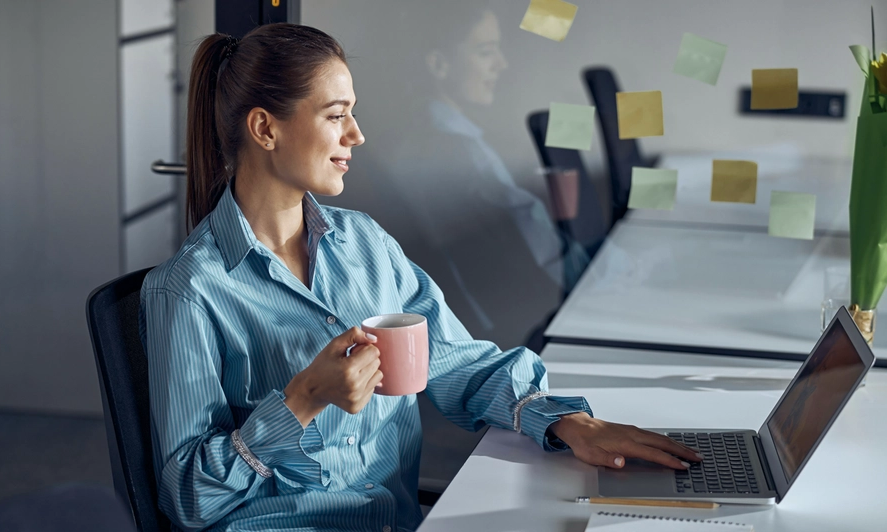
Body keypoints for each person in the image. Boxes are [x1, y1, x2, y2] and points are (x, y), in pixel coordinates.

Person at [139, 23, 700, 532]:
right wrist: (303, 399)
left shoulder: (365, 244)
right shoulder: (189, 290)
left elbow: (460, 362)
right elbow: (188, 497)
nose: (356, 135)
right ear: (264, 128)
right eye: (336, 116)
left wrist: (569, 424)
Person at [376, 3, 592, 350]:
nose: (501, 64)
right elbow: (535, 239)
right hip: (500, 326)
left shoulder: (423, 139)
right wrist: (614, 274)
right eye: (485, 51)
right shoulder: (454, 153)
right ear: (439, 65)